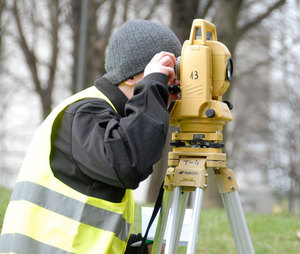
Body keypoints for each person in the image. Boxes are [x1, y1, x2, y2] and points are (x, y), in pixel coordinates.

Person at [0, 19, 181, 253]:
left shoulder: (107, 123)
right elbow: (131, 162)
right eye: (168, 77)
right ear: (131, 76)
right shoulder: (85, 114)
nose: (173, 91)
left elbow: (86, 228)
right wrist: (153, 87)